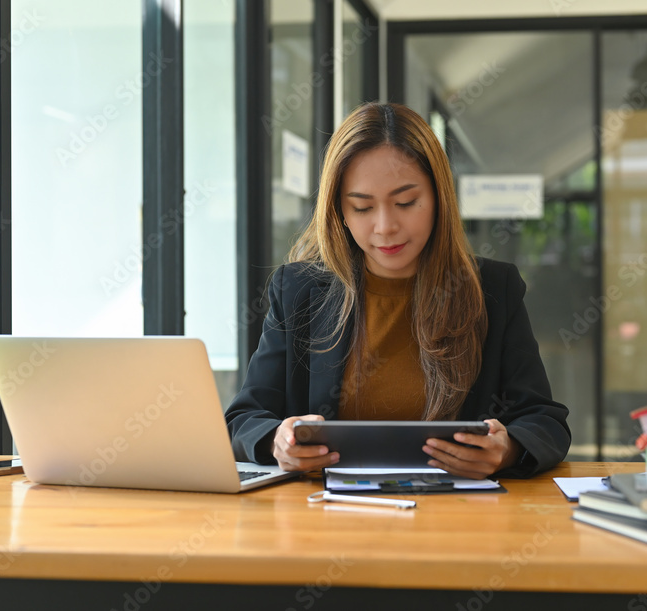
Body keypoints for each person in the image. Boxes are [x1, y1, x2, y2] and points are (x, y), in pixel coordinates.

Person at [225, 102, 570, 479]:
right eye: (361, 207)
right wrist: (277, 440)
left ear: (439, 198)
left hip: (459, 519)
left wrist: (507, 449)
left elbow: (545, 421)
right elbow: (244, 418)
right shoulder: (299, 290)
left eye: (406, 202)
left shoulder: (493, 289)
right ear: (338, 210)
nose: (385, 227)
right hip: (325, 520)